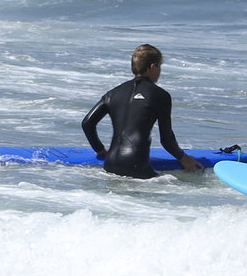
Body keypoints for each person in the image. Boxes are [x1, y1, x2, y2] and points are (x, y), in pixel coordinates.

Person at [81, 44, 201, 178]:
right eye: (159, 67)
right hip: (136, 166)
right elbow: (166, 139)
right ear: (152, 67)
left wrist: (100, 150)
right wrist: (183, 157)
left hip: (110, 165)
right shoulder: (160, 95)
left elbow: (87, 123)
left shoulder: (112, 94)